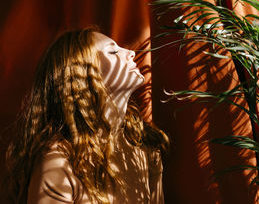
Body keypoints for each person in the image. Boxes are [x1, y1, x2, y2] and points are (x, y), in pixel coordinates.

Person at [5, 28, 169, 203]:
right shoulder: (59, 160)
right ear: (83, 76)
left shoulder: (146, 148)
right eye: (113, 51)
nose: (130, 52)